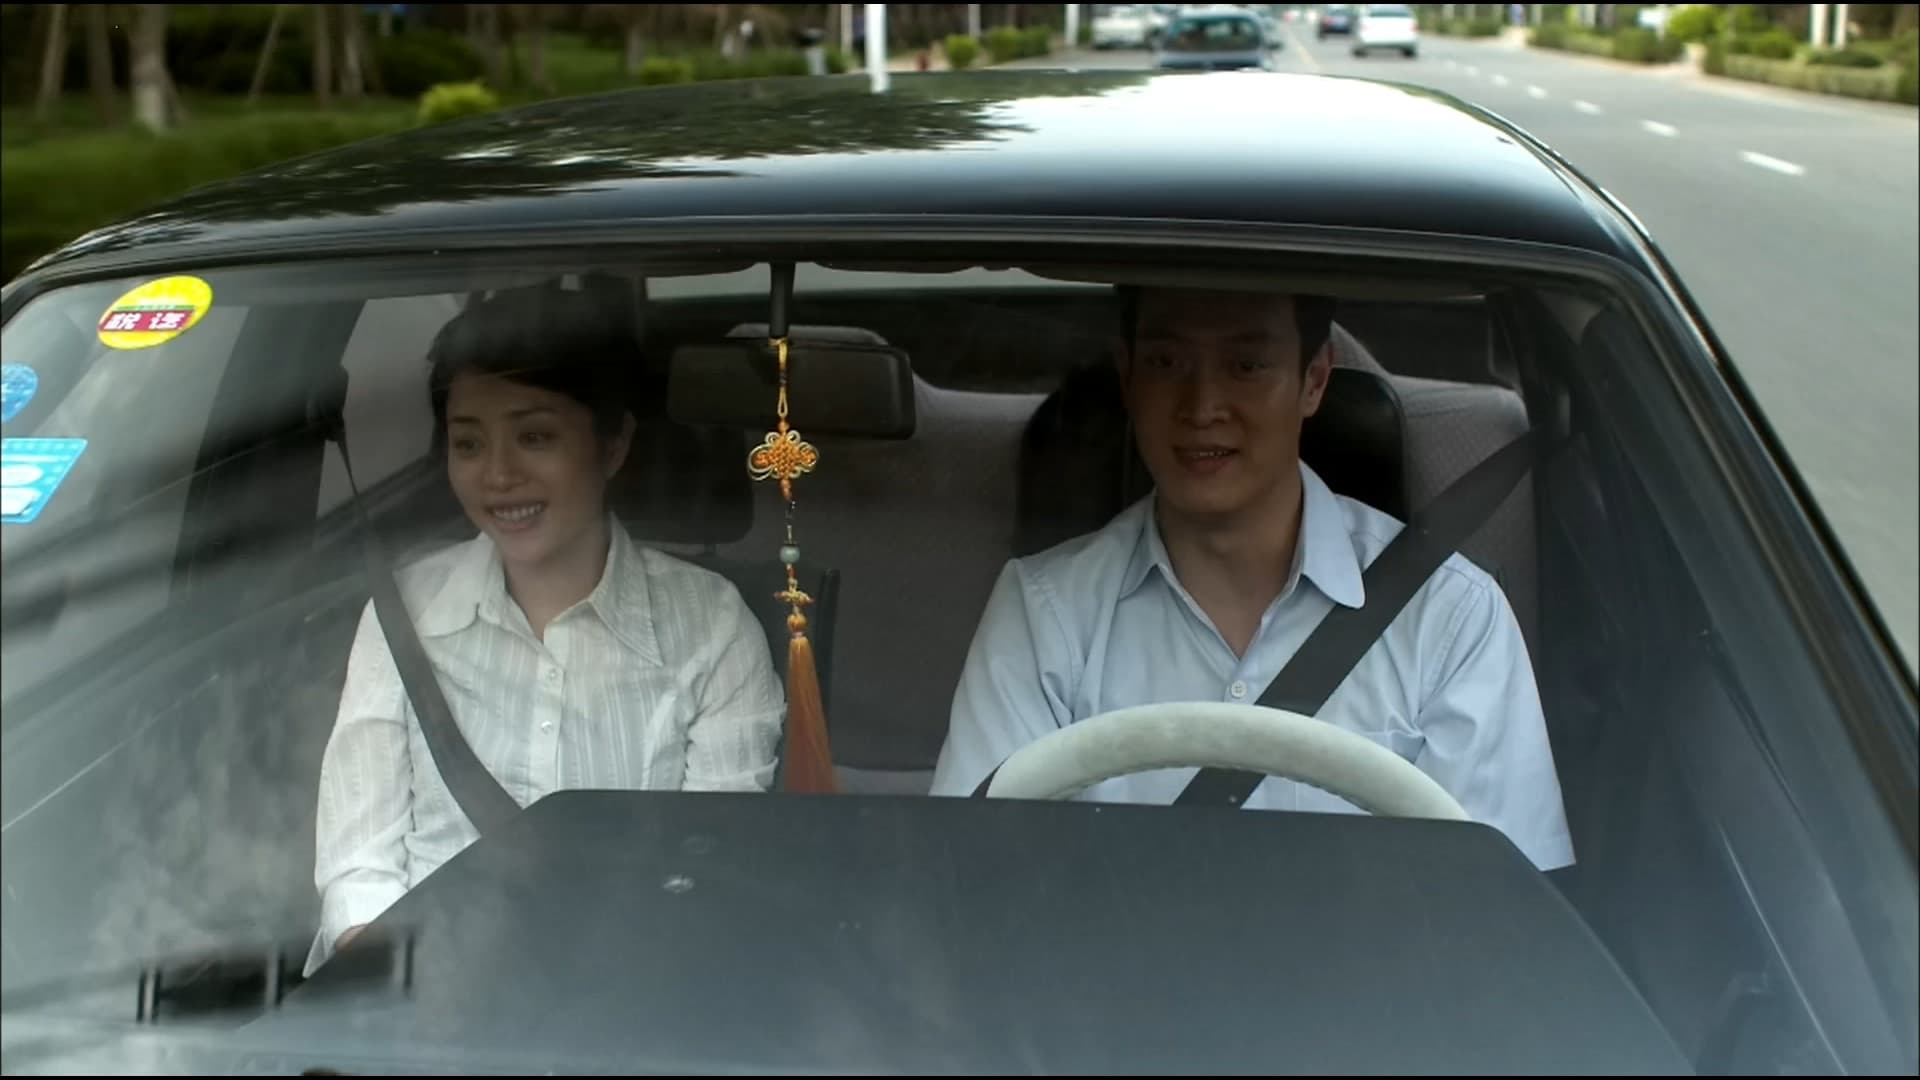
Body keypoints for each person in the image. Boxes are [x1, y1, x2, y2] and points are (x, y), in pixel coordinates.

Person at [930, 286, 1573, 872]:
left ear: (1313, 381)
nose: (1202, 406)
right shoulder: (1043, 613)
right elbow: (975, 881)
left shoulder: (1451, 618)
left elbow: (1499, 914)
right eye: (1166, 362)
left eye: (1246, 365)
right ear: (1128, 377)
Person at [306, 287, 785, 975]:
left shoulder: (711, 629)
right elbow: (360, 867)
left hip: (629, 990)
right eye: (469, 443)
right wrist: (413, 998)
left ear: (613, 445)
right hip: (424, 993)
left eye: (534, 437)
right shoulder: (402, 613)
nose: (498, 475)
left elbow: (713, 871)